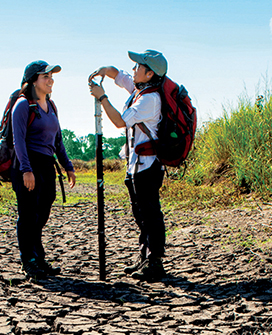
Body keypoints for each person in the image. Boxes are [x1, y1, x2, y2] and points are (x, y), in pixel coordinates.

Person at [88, 50, 167, 281]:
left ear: (149, 73)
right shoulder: (140, 90)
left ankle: (155, 262)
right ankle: (144, 257)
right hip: (136, 166)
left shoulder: (149, 99)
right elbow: (119, 75)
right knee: (141, 214)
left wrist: (103, 98)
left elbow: (119, 122)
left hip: (148, 167)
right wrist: (104, 70)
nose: (133, 70)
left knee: (150, 214)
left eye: (137, 67)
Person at [12, 60, 77, 278]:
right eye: (45, 77)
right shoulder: (22, 105)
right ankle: (28, 260)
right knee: (28, 214)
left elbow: (58, 140)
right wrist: (26, 170)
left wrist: (68, 166)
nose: (51, 80)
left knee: (42, 212)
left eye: (51, 76)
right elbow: (18, 140)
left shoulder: (52, 107)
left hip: (47, 165)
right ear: (33, 81)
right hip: (27, 164)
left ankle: (37, 256)